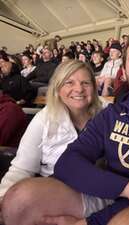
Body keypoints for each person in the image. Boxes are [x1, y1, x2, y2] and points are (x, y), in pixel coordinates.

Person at [2, 30, 129, 225]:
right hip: (113, 192)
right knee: (19, 201)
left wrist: (91, 222)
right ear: (124, 72)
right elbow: (66, 163)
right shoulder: (111, 115)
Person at [0, 60, 101, 223]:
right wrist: (3, 199)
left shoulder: (108, 114)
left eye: (85, 83)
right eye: (69, 83)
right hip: (53, 194)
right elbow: (22, 168)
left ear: (94, 88)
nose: (79, 89)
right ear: (57, 88)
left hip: (99, 197)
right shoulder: (43, 119)